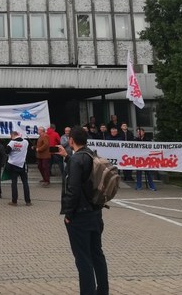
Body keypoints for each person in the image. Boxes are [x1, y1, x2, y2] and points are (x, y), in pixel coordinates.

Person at [58, 126, 109, 295]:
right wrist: (67, 158)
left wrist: (68, 214)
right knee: (97, 254)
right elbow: (84, 176)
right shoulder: (91, 155)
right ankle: (102, 291)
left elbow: (73, 189)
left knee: (83, 259)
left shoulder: (76, 160)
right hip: (95, 212)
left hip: (80, 215)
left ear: (71, 140)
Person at [6, 130, 31, 206]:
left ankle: (14, 201)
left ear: (12, 135)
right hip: (22, 165)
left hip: (13, 165)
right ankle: (28, 201)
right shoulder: (26, 142)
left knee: (14, 183)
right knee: (25, 183)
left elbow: (6, 151)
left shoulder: (12, 143)